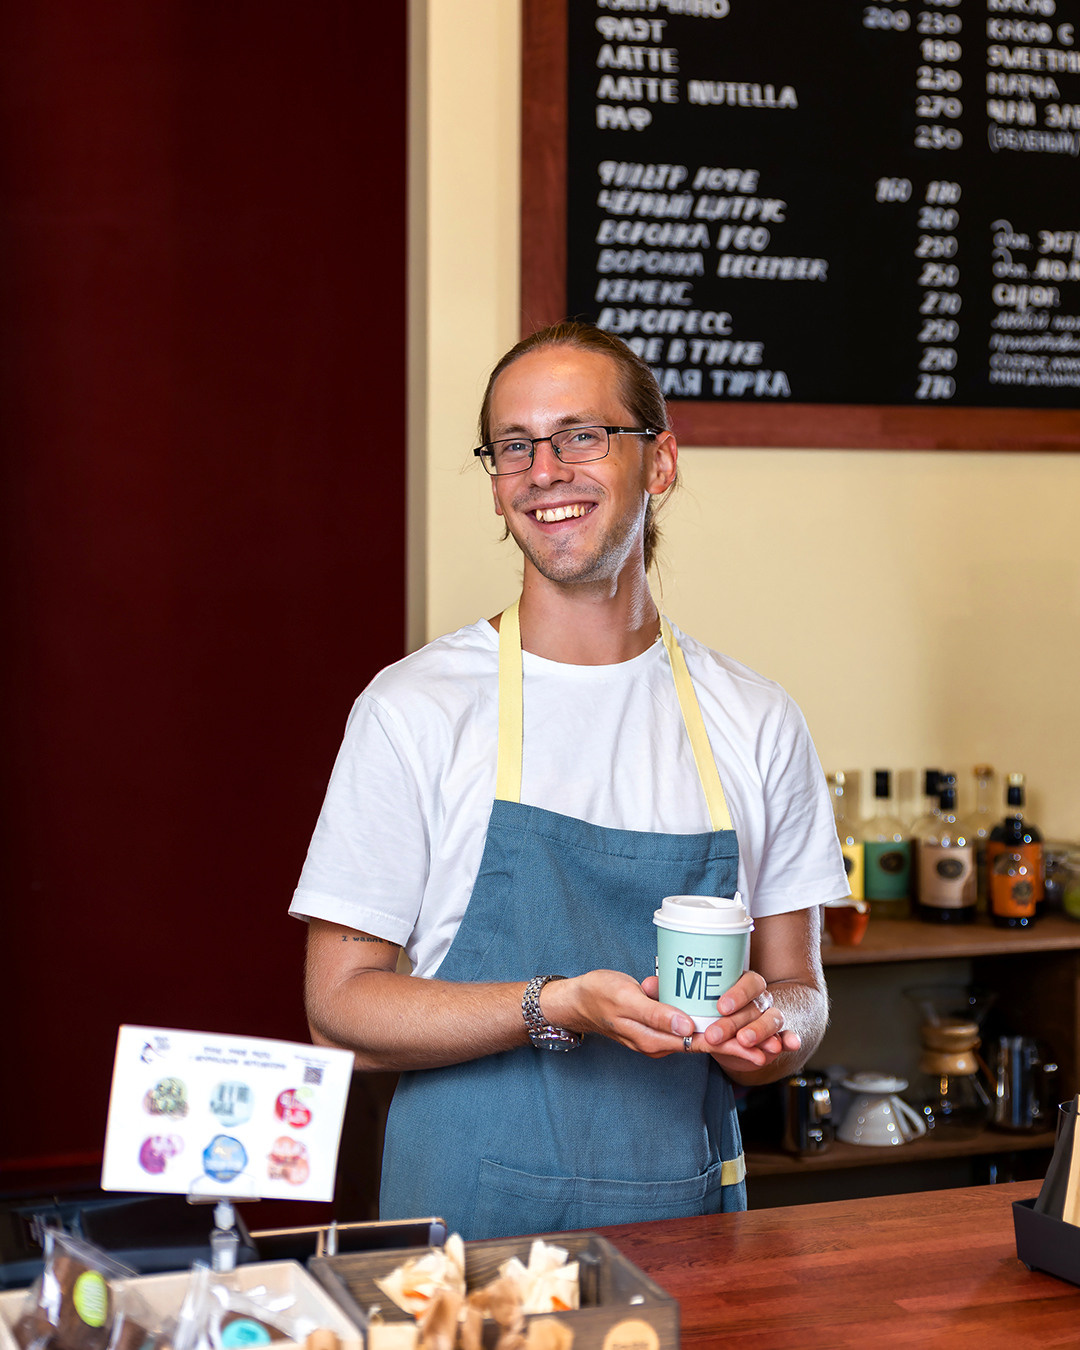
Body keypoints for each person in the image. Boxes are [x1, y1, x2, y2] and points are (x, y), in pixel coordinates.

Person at [291, 322, 848, 1239]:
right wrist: (558, 1004)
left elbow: (802, 990)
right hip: (461, 1231)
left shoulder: (756, 718)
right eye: (514, 446)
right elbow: (339, 1008)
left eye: (581, 435)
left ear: (659, 462)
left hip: (692, 1221)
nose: (544, 470)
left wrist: (765, 1031)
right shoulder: (415, 709)